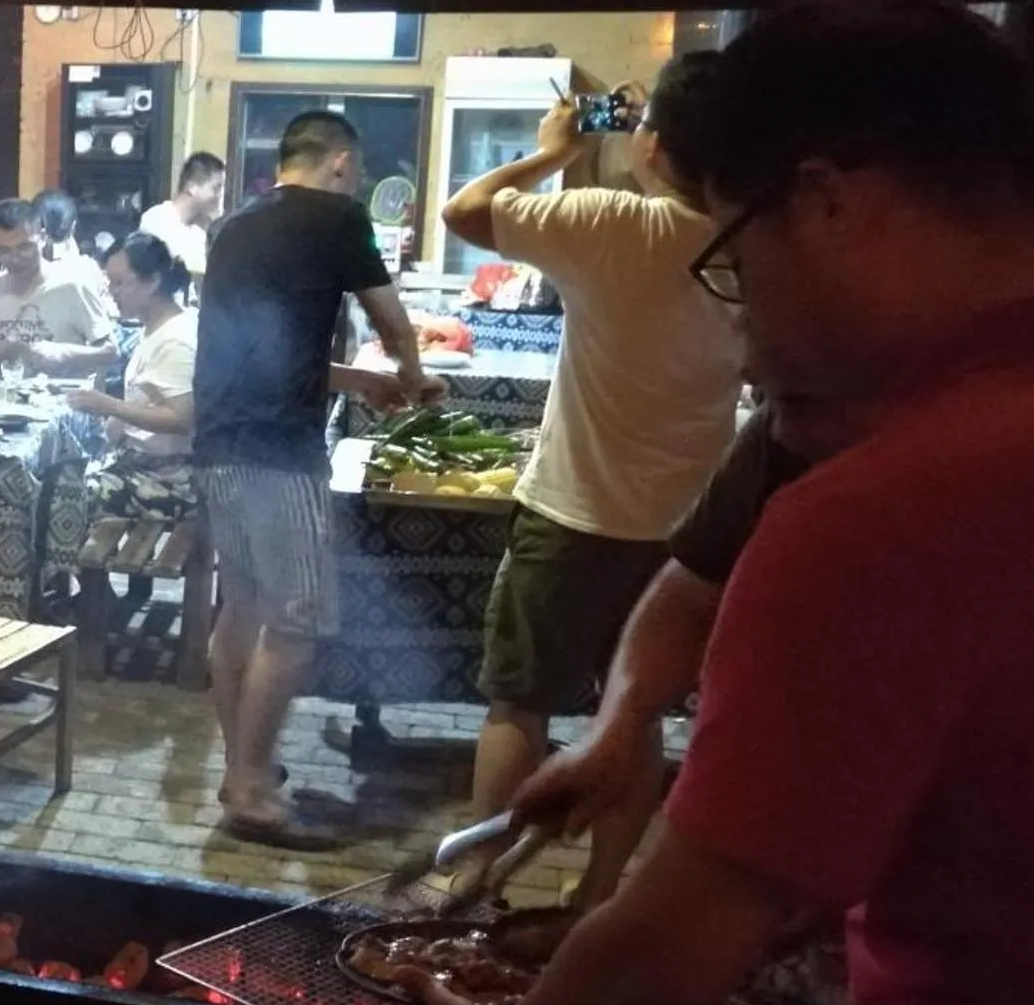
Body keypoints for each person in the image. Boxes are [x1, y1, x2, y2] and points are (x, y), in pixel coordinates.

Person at [400, 0, 1034, 1005]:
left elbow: (665, 965)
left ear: (830, 204)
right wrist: (629, 723)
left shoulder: (888, 509)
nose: (737, 331)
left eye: (733, 260)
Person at [516, 395, 857, 1005]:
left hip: (968, 872)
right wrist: (621, 720)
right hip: (776, 812)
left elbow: (653, 967)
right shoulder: (795, 421)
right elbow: (688, 588)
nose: (737, 345)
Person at [439, 54, 743, 907]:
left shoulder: (611, 221)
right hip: (688, 536)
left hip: (571, 512)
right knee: (631, 712)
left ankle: (476, 874)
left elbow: (465, 211)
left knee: (518, 702)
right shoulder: (756, 247)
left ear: (652, 145)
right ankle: (601, 892)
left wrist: (553, 150)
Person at [194, 110, 439, 848]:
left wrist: (359, 382)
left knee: (242, 606)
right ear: (340, 162)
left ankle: (243, 768)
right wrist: (414, 377)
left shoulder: (233, 226)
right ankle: (250, 790)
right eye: (356, 171)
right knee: (298, 620)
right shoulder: (339, 216)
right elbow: (394, 324)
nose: (356, 182)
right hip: (279, 451)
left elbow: (263, 353)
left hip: (219, 443)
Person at [66, 231, 200, 520]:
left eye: (119, 283)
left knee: (64, 496)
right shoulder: (157, 326)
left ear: (152, 281)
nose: (111, 292)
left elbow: (182, 418)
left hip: (170, 480)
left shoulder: (176, 339)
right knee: (61, 474)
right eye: (109, 283)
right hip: (143, 465)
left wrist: (108, 405)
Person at [0, 197, 116, 375]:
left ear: (43, 238)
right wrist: (6, 347)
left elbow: (111, 352)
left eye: (24, 247)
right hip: (3, 389)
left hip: (62, 390)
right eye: (4, 251)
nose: (15, 258)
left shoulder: (72, 284)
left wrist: (64, 354)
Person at [139, 151, 228, 283]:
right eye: (216, 188)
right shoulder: (157, 220)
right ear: (192, 187)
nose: (219, 196)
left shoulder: (206, 228)